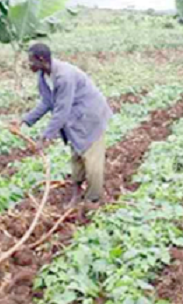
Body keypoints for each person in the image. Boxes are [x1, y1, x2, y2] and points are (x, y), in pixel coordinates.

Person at [14, 43, 113, 207]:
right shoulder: (43, 76)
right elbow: (46, 102)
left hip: (90, 116)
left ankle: (93, 200)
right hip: (75, 119)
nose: (28, 64)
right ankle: (76, 195)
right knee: (76, 157)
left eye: (31, 61)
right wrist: (24, 120)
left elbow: (62, 111)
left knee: (92, 159)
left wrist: (46, 137)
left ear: (41, 59)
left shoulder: (64, 76)